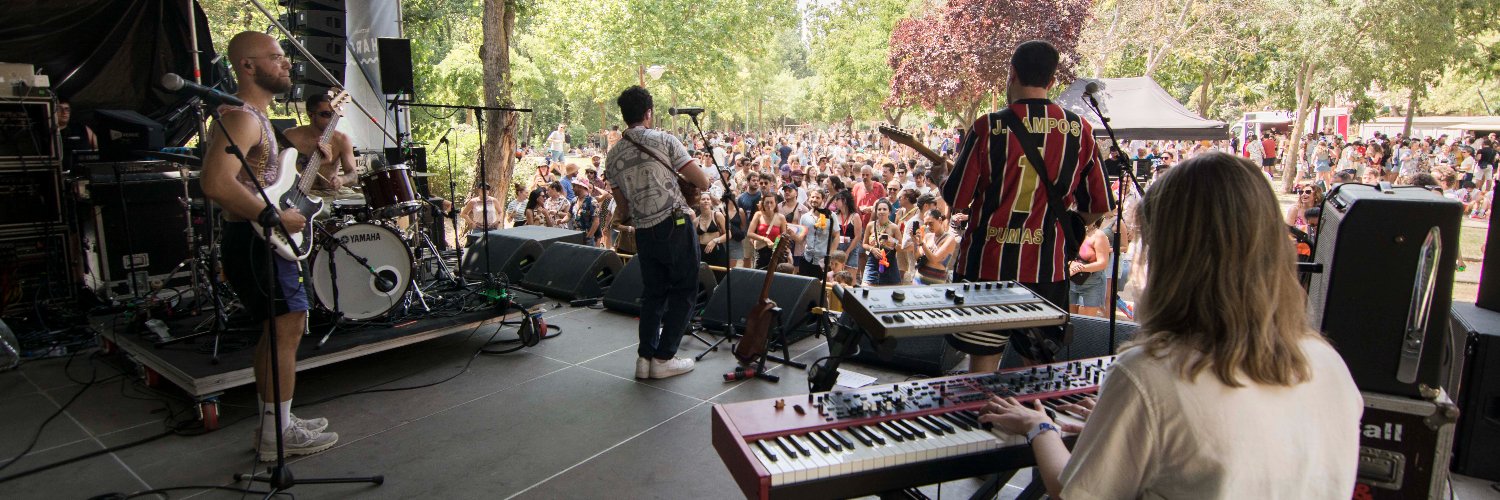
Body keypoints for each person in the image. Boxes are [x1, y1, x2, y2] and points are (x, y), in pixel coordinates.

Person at [978, 152, 1362, 499]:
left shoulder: (1151, 375)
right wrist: (1122, 432)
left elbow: (1072, 492)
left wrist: (1039, 426)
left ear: (1174, 257)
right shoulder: (1327, 363)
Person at [199, 31, 335, 461]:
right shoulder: (241, 118)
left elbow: (263, 185)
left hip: (259, 239)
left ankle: (277, 423)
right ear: (248, 66)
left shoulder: (256, 118)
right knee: (286, 327)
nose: (286, 64)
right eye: (276, 58)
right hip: (256, 239)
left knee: (280, 330)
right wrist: (272, 217)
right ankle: (278, 437)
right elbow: (215, 182)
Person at [941, 40, 1111, 372]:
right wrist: (1063, 223)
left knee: (983, 367)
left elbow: (957, 198)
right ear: (1051, 82)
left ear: (1012, 74)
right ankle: (1033, 422)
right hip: (1046, 270)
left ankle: (979, 421)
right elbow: (1097, 206)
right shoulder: (1080, 130)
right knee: (1037, 368)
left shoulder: (987, 127)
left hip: (985, 268)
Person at [604, 85, 711, 380]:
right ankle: (664, 357)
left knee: (653, 293)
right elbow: (701, 180)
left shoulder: (612, 156)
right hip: (674, 224)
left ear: (625, 115)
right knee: (686, 289)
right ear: (649, 113)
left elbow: (622, 206)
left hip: (643, 230)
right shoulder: (665, 140)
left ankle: (645, 358)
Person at [282, 91, 358, 191]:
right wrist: (317, 161)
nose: (331, 119)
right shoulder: (290, 136)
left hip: (329, 193)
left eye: (334, 114)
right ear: (310, 115)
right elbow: (280, 174)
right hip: (298, 192)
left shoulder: (342, 139)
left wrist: (341, 180)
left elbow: (353, 176)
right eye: (326, 114)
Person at [912, 209, 958, 284]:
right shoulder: (927, 236)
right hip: (919, 278)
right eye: (926, 224)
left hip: (935, 280)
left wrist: (922, 243)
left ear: (940, 220)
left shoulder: (950, 239)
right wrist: (915, 241)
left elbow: (935, 259)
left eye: (931, 223)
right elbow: (917, 256)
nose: (928, 227)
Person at [748, 195, 788, 270]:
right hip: (760, 251)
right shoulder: (758, 215)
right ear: (763, 203)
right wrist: (765, 239)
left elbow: (783, 236)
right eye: (767, 202)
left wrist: (775, 244)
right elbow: (749, 233)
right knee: (759, 275)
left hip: (775, 252)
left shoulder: (781, 217)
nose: (769, 205)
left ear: (775, 203)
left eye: (771, 202)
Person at [695, 193, 728, 265]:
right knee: (704, 275)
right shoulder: (696, 221)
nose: (706, 201)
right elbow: (695, 240)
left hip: (717, 250)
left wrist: (715, 240)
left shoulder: (717, 215)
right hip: (702, 252)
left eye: (708, 199)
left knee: (720, 275)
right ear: (698, 202)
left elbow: (729, 234)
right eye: (703, 199)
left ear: (711, 202)